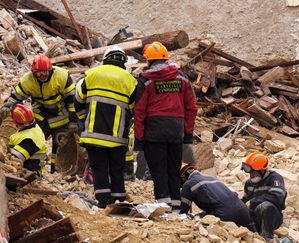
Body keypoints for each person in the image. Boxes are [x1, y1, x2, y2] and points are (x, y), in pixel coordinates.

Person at [134, 41, 197, 210]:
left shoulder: (146, 81)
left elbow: (139, 111)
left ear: (149, 61)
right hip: (176, 130)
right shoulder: (182, 78)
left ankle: (163, 204)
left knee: (158, 169)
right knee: (174, 168)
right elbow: (191, 107)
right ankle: (176, 205)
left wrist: (139, 139)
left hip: (154, 131)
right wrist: (188, 133)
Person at [74, 46, 137, 208]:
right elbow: (134, 107)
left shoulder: (91, 74)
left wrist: (84, 120)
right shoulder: (130, 80)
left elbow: (78, 100)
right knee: (117, 168)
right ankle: (119, 200)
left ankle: (103, 201)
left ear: (105, 58)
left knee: (99, 167)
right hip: (117, 137)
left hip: (93, 135)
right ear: (123, 61)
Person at [2, 54, 76, 173]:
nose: (41, 75)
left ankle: (56, 172)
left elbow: (72, 100)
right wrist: (8, 106)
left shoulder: (62, 76)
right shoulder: (28, 80)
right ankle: (29, 169)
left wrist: (73, 120)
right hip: (40, 114)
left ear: (50, 70)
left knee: (60, 145)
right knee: (33, 141)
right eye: (38, 73)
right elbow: (17, 95)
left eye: (44, 72)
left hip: (60, 115)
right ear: (33, 72)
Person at [179, 163, 256, 231]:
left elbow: (183, 213)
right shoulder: (211, 178)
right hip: (242, 210)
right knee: (255, 238)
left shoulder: (188, 184)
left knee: (199, 220)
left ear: (183, 177)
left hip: (225, 215)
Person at [241, 152, 287, 241]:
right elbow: (245, 200)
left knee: (266, 206)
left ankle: (267, 238)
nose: (250, 175)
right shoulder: (249, 183)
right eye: (249, 172)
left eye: (253, 172)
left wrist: (253, 202)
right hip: (254, 217)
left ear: (261, 170)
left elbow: (277, 198)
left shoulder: (275, 178)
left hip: (272, 217)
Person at [8, 104, 47, 176]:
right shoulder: (31, 126)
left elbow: (13, 158)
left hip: (30, 174)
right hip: (28, 168)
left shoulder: (30, 140)